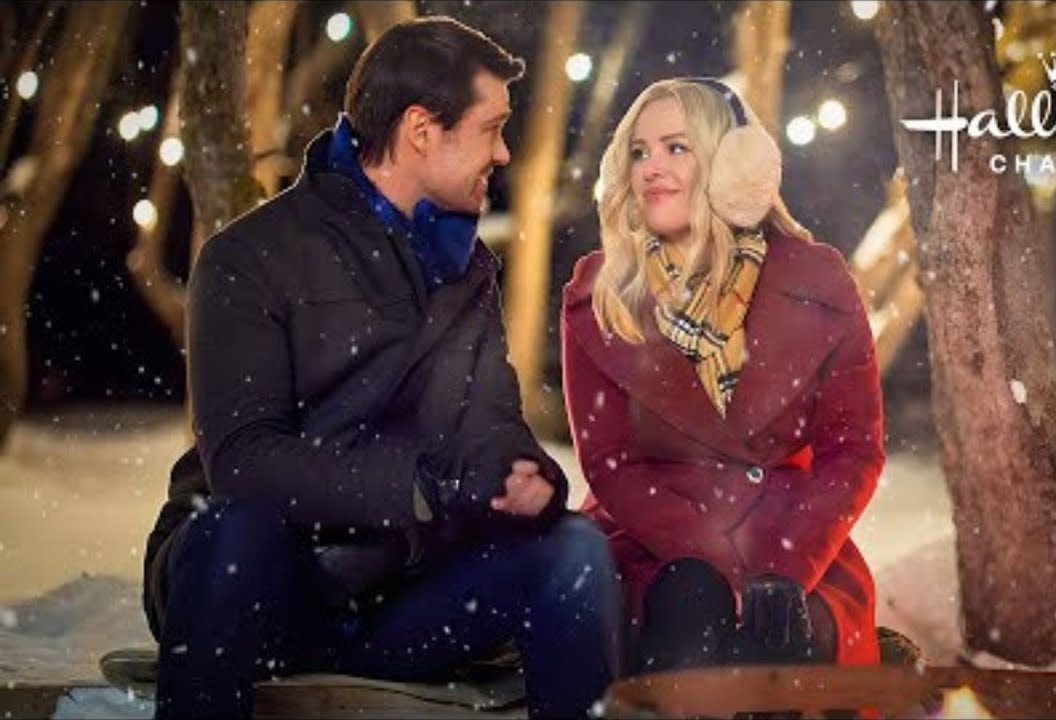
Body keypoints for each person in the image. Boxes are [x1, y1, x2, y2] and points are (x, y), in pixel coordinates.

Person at [142, 17, 621, 719]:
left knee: (573, 550)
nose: (504, 151)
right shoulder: (252, 255)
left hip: (399, 598)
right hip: (261, 596)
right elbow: (245, 460)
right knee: (235, 527)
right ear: (422, 130)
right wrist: (423, 489)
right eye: (491, 128)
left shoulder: (466, 269)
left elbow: (488, 421)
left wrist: (523, 478)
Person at [560, 77, 885, 675]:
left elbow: (854, 451)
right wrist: (710, 557)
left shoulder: (817, 280)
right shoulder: (600, 293)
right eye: (639, 151)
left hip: (795, 537)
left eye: (676, 148)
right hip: (652, 537)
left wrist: (785, 565)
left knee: (788, 637)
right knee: (688, 612)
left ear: (735, 166)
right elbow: (610, 464)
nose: (651, 167)